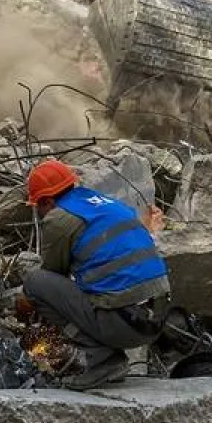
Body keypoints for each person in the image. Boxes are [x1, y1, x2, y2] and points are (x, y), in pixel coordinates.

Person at [21, 159, 170, 389]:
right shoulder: (109, 204)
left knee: (35, 283)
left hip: (125, 324)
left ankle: (100, 358)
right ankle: (107, 355)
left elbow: (52, 276)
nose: (39, 214)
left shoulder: (59, 218)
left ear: (48, 201)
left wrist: (25, 308)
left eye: (37, 207)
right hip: (157, 319)